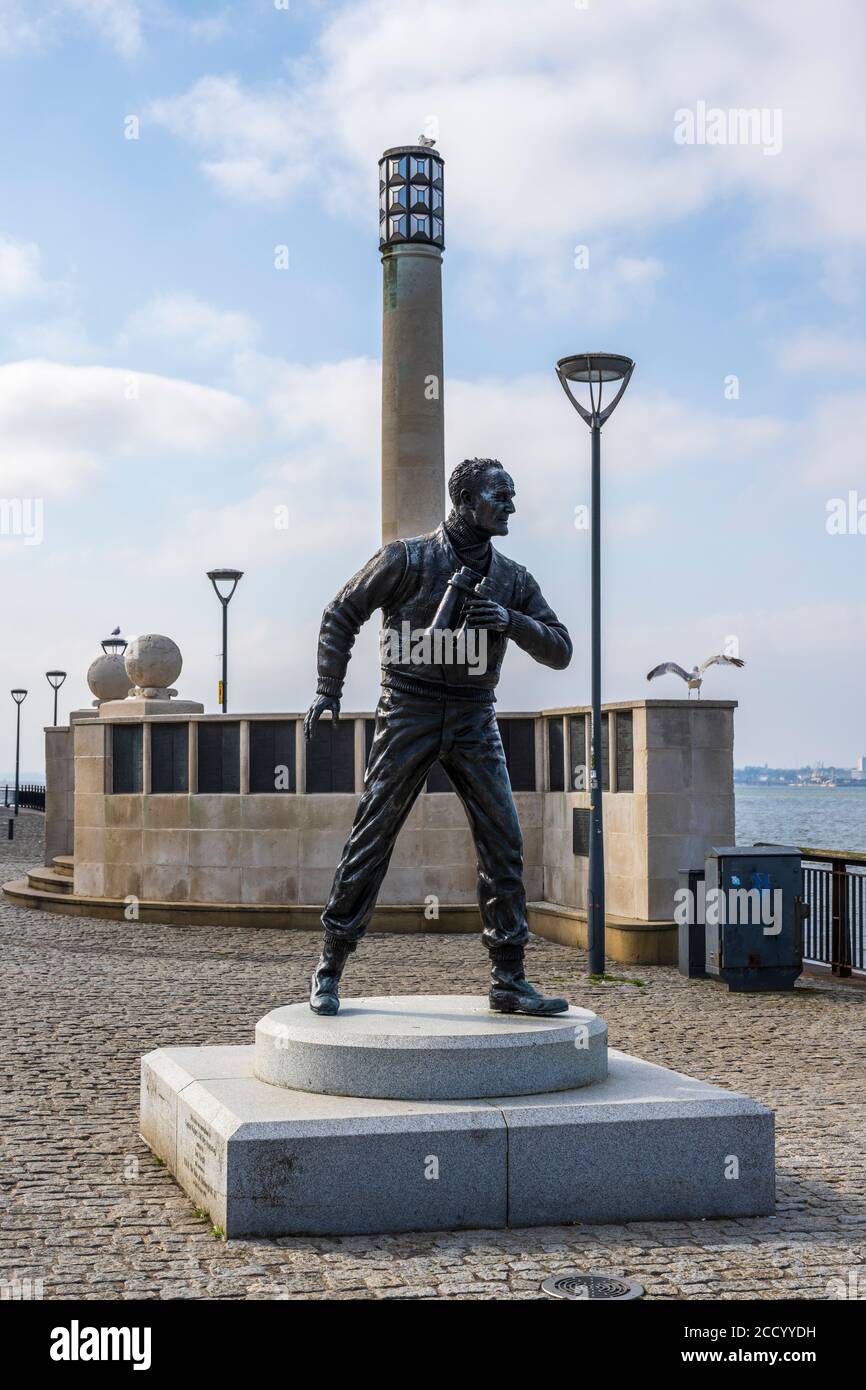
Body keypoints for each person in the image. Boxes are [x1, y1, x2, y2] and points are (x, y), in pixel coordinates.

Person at [304, 457, 573, 1016]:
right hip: (409, 707)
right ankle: (330, 964)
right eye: (500, 495)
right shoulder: (406, 557)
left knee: (504, 841)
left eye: (512, 494)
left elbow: (560, 649)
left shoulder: (514, 579)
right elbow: (341, 613)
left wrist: (509, 621)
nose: (511, 506)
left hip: (475, 713)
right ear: (465, 500)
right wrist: (329, 687)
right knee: (372, 835)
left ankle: (508, 978)